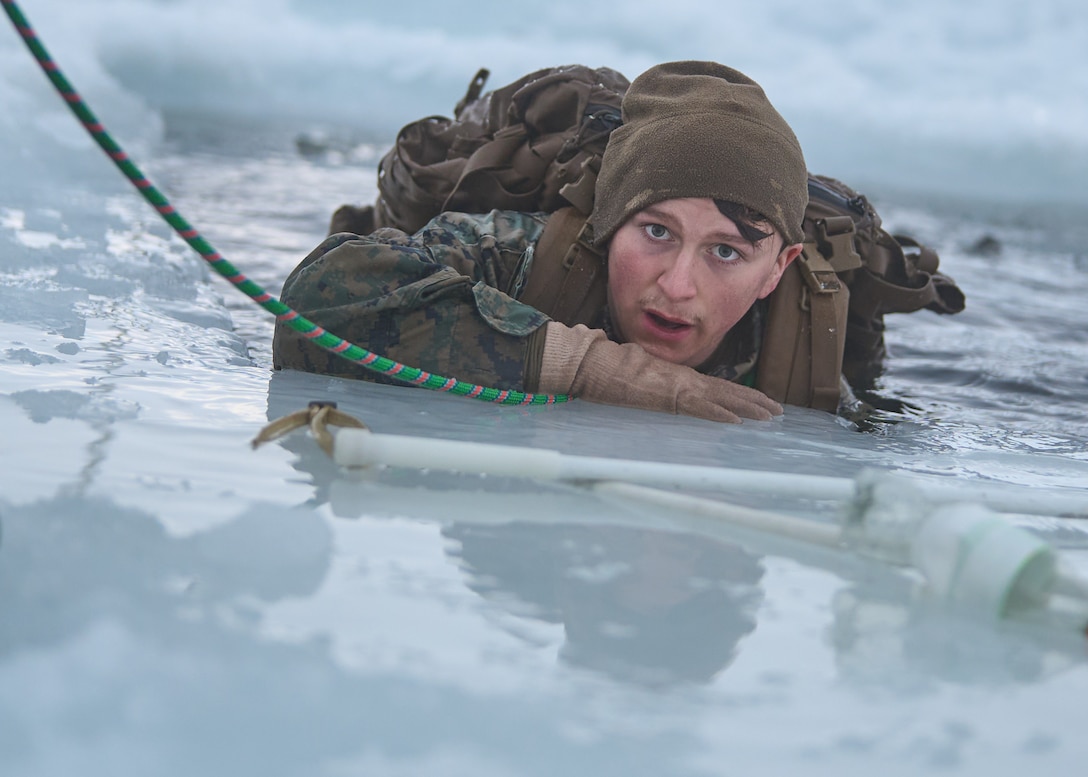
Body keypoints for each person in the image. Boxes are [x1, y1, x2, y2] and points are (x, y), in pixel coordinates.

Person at [273, 61, 814, 423]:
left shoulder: (807, 341)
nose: (676, 286)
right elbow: (321, 299)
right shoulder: (516, 256)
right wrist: (585, 367)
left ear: (777, 268)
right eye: (656, 231)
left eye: (725, 252)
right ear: (608, 220)